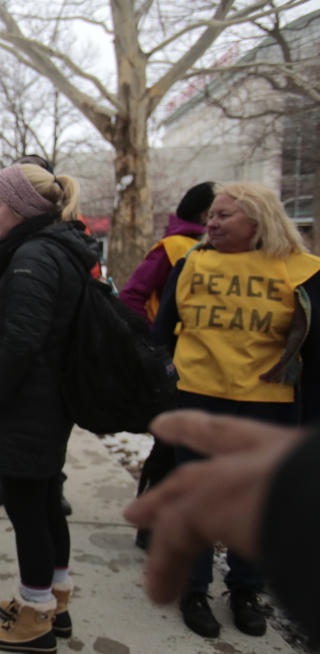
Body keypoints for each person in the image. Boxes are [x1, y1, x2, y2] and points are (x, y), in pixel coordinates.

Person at [150, 181, 320, 640]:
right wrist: (167, 375)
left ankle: (245, 589)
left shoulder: (299, 270)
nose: (212, 222)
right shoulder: (191, 263)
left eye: (225, 215)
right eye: (212, 215)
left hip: (268, 406)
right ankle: (194, 589)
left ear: (258, 220)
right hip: (199, 398)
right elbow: (163, 329)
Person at [0, 163, 98, 652]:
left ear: (20, 208)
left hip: (29, 404)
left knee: (27, 509)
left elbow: (22, 338)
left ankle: (36, 617)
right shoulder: (56, 249)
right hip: (48, 401)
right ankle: (53, 598)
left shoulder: (32, 257)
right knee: (43, 503)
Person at [123, 410, 320, 643]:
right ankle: (194, 589)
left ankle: (245, 589)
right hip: (203, 386)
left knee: (258, 495)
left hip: (270, 393)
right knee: (198, 491)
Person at [119, 181, 213, 550]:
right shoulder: (174, 249)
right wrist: (158, 346)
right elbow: (133, 297)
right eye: (216, 211)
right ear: (205, 214)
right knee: (171, 448)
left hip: (219, 374)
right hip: (179, 368)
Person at [119, 181, 213, 323]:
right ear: (204, 215)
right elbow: (131, 296)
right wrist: (154, 336)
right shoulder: (172, 246)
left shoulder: (231, 249)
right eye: (220, 213)